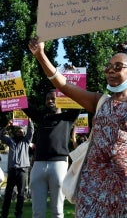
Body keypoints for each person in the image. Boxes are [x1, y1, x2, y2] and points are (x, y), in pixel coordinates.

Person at [28, 17, 127, 217]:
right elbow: (63, 85)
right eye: (108, 67)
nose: (110, 71)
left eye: (118, 67)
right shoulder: (100, 101)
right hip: (93, 183)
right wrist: (40, 56)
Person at [23, 89, 80, 218]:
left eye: (53, 98)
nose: (50, 100)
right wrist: (11, 80)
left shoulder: (68, 117)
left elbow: (77, 98)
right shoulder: (41, 117)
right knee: (37, 213)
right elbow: (24, 104)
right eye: (47, 98)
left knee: (58, 211)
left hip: (59, 165)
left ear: (60, 99)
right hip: (38, 165)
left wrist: (73, 77)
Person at [0, 119, 34, 218]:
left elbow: (31, 130)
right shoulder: (10, 140)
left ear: (24, 131)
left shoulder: (26, 140)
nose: (20, 131)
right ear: (16, 130)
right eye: (18, 129)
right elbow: (1, 135)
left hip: (23, 171)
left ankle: (18, 214)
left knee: (21, 194)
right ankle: (4, 214)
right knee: (8, 194)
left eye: (22, 129)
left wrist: (29, 120)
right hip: (12, 170)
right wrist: (7, 125)